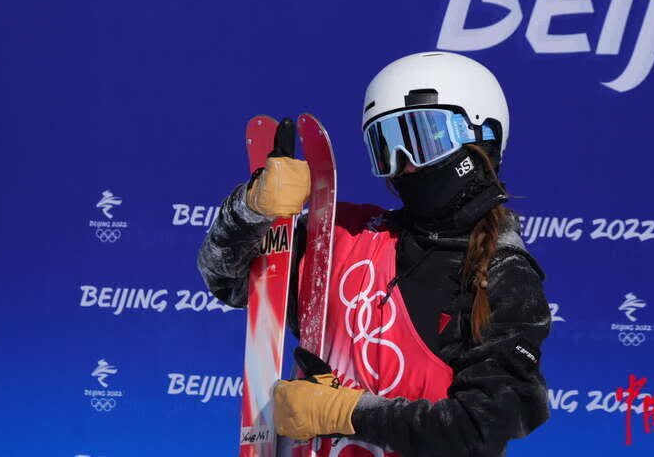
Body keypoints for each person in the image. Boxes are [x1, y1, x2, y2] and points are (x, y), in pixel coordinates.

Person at [198, 51, 552, 457]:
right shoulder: (346, 237)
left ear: (481, 135)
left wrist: (347, 412)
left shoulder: (502, 273)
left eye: (423, 139)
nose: (404, 166)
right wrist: (252, 211)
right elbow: (227, 279)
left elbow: (480, 427)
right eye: (386, 147)